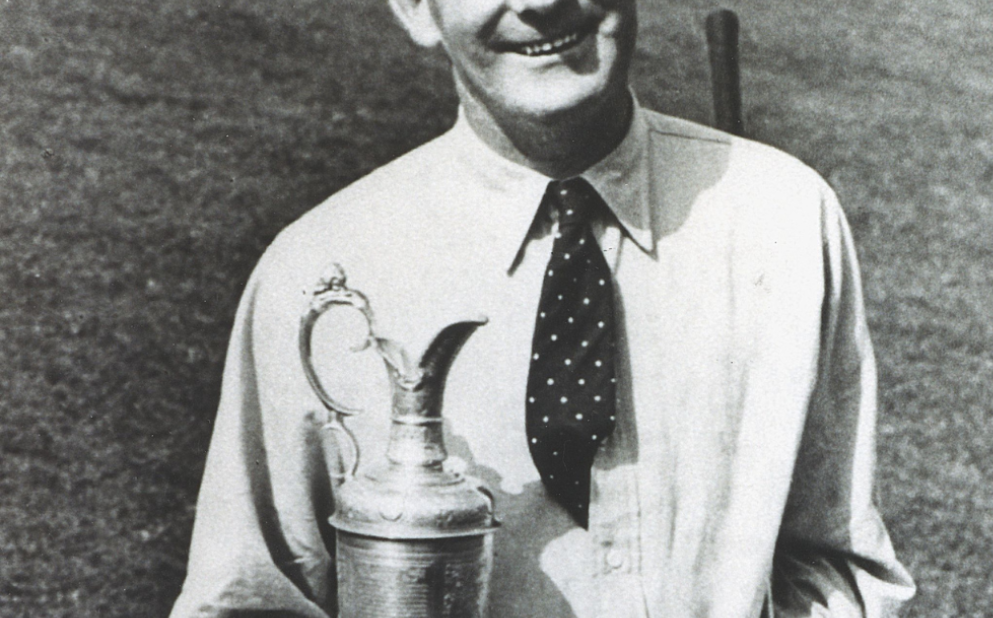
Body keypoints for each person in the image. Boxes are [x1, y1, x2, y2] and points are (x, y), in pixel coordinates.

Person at [170, 0, 916, 616]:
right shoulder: (324, 271)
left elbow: (838, 564)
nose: (537, 3)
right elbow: (251, 600)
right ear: (413, 8)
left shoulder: (783, 218)